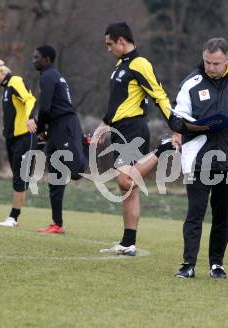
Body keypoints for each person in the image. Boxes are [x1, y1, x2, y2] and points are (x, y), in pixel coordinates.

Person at [169, 38, 228, 278]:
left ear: (227, 59)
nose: (210, 67)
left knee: (223, 216)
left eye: (216, 63)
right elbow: (175, 118)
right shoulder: (191, 83)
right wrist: (193, 126)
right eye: (207, 62)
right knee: (195, 213)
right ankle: (188, 265)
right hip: (198, 159)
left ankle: (216, 264)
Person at [92, 22, 179, 256]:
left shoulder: (140, 64)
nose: (108, 48)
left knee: (124, 180)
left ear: (122, 41)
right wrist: (104, 126)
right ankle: (128, 243)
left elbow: (158, 95)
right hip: (120, 129)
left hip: (134, 129)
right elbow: (116, 103)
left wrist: (177, 127)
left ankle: (163, 149)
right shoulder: (120, 65)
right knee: (129, 189)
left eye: (110, 44)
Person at [32, 45, 87, 234]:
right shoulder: (50, 75)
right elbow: (48, 109)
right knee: (55, 175)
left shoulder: (49, 76)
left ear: (47, 59)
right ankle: (57, 224)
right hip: (57, 127)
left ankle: (85, 148)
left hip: (65, 126)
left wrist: (39, 129)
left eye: (36, 57)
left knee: (76, 171)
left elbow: (45, 108)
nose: (33, 60)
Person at [0, 59, 37, 227]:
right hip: (12, 139)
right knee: (19, 178)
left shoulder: (15, 82)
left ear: (1, 71)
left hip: (24, 137)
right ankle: (14, 216)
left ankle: (13, 218)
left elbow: (30, 99)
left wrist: (30, 118)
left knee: (20, 179)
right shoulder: (6, 89)